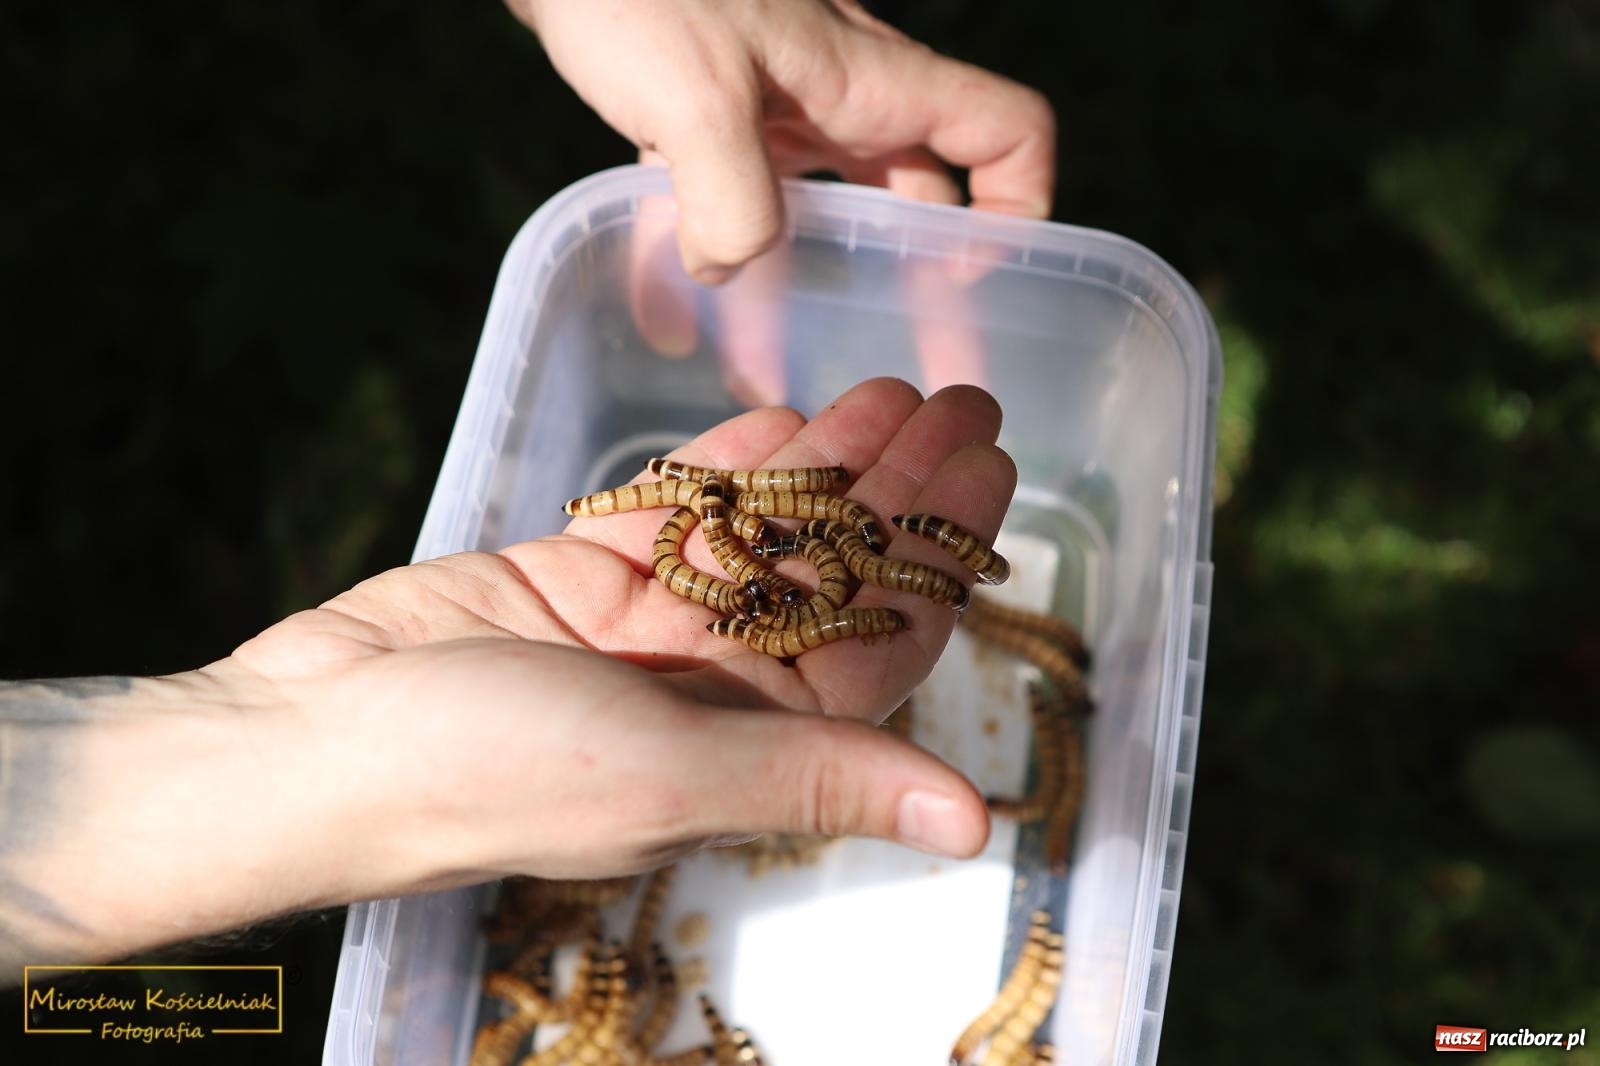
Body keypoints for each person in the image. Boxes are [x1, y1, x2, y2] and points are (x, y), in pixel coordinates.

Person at [0, 0, 1052, 981]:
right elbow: (731, 552)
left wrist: (296, 742)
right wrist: (301, 746)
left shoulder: (777, 552)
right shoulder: (751, 551)